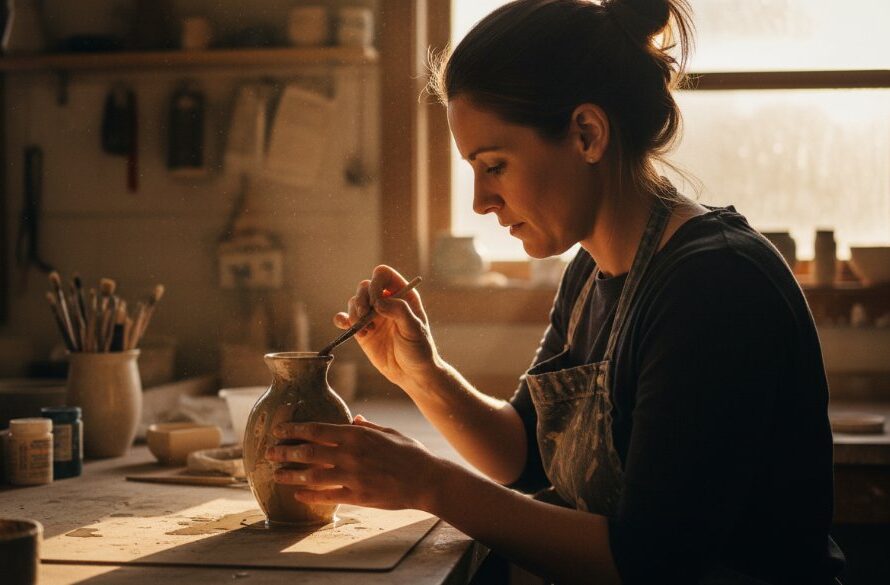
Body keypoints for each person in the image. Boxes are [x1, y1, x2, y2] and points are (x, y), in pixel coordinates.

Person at [263, 0, 846, 582]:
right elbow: (522, 454)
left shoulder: (713, 287)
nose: (479, 202)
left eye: (494, 166)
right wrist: (421, 371)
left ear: (586, 134)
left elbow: (652, 561)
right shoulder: (591, 270)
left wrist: (428, 482)